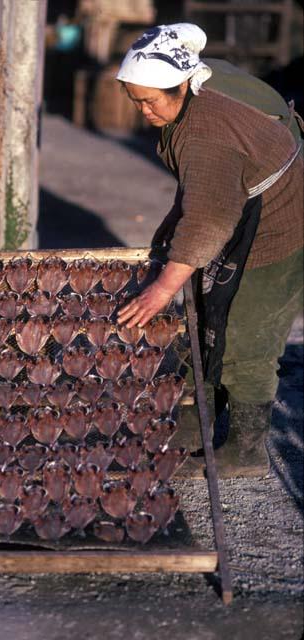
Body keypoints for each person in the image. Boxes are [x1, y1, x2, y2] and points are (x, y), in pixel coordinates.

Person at [116, 23, 303, 477]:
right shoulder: (198, 81)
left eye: (151, 100)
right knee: (203, 315)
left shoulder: (206, 133)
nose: (143, 111)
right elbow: (202, 192)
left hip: (280, 224)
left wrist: (161, 289)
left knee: (247, 333)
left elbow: (208, 220)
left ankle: (246, 448)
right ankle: (194, 423)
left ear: (182, 84)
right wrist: (169, 231)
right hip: (242, 196)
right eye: (135, 99)